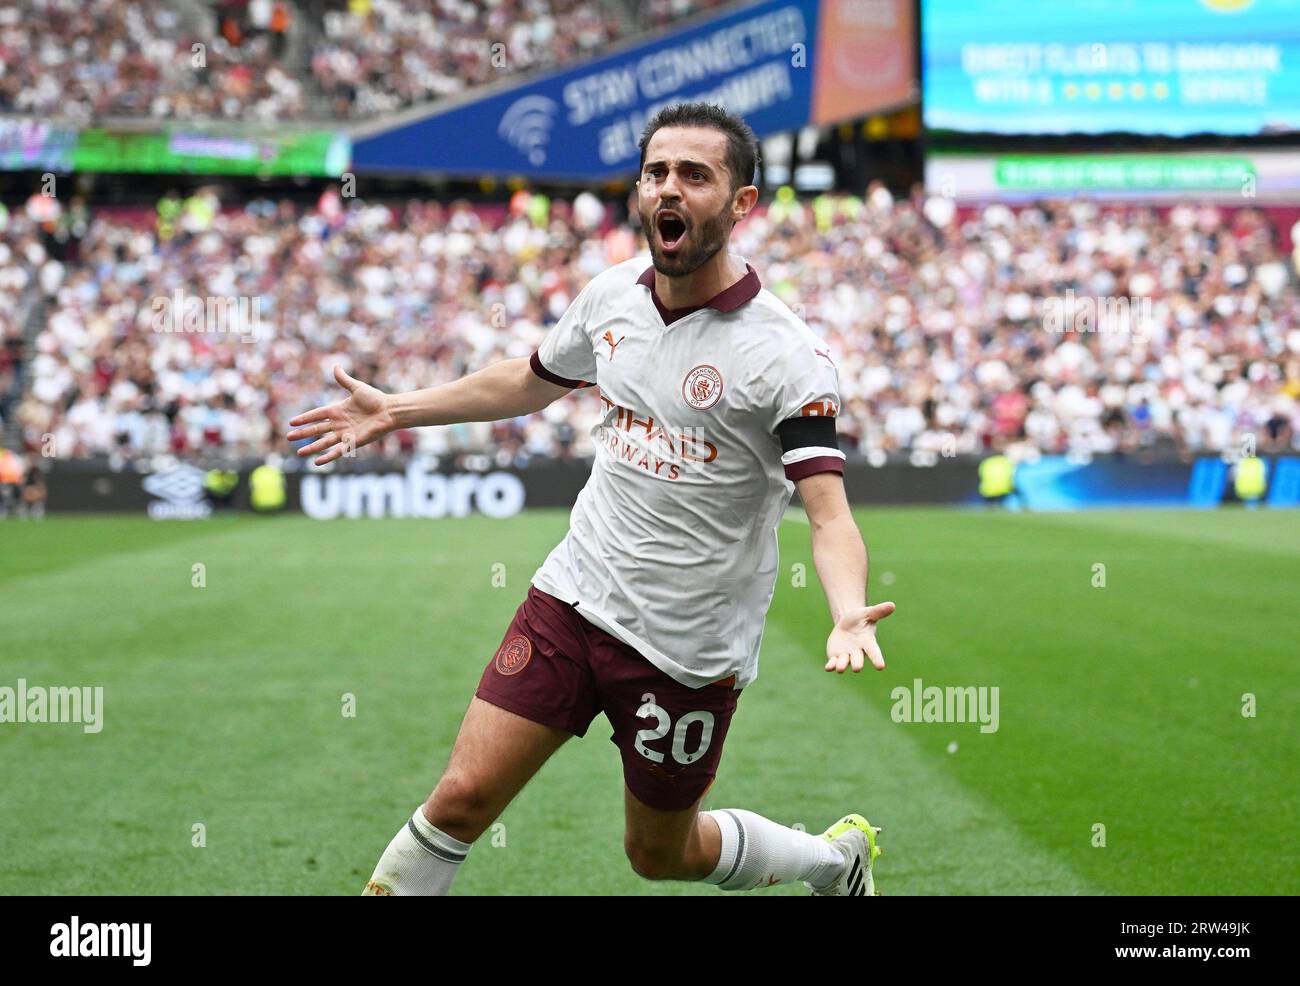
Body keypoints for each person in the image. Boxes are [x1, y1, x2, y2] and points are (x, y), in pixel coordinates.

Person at [287, 103, 896, 897]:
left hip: (687, 650)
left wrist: (846, 609)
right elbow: (530, 381)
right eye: (655, 173)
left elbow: (827, 512)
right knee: (461, 801)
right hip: (573, 601)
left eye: (695, 175)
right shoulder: (612, 296)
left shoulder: (787, 356)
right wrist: (399, 408)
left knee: (658, 854)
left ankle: (831, 863)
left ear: (741, 204)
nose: (667, 189)